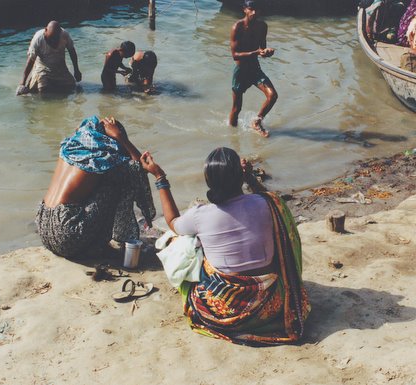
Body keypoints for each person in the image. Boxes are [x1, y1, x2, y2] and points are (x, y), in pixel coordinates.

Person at [140, 147, 311, 346]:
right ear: (240, 178)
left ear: (209, 182)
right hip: (271, 305)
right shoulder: (267, 204)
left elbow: (172, 222)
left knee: (181, 241)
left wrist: (160, 177)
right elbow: (272, 200)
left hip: (227, 312)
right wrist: (250, 178)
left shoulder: (200, 214)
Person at [36, 115, 155, 259]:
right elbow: (139, 168)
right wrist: (122, 139)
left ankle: (97, 240)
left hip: (44, 227)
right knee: (120, 177)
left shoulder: (69, 147)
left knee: (105, 178)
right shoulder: (102, 157)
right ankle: (106, 242)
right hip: (67, 236)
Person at [229, 0, 278, 138]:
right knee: (236, 108)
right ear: (245, 9)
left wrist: (267, 52)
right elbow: (235, 55)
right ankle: (233, 137)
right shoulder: (237, 27)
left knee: (272, 95)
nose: (255, 12)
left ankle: (256, 122)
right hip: (241, 71)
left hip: (255, 69)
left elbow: (261, 49)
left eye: (257, 9)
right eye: (251, 9)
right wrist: (255, 52)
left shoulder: (263, 26)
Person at [16, 21, 82, 95]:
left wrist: (76, 70)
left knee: (72, 87)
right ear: (45, 30)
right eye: (50, 39)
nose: (53, 42)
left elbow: (71, 51)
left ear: (60, 34)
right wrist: (23, 82)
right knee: (43, 90)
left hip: (60, 67)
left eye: (55, 39)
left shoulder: (64, 35)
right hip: (42, 68)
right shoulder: (38, 38)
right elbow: (31, 60)